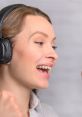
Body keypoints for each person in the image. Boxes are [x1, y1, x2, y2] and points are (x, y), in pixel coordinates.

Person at [0, 3, 58, 117]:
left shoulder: (48, 113)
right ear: (4, 50)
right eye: (39, 42)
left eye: (53, 46)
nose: (54, 55)